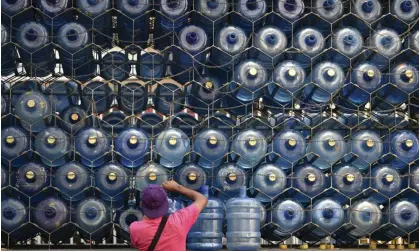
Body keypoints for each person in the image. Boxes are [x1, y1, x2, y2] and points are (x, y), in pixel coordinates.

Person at [130, 180, 208, 251]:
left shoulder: (135, 228)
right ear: (166, 203)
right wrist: (178, 188)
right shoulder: (180, 220)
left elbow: (135, 244)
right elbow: (202, 199)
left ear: (141, 204)